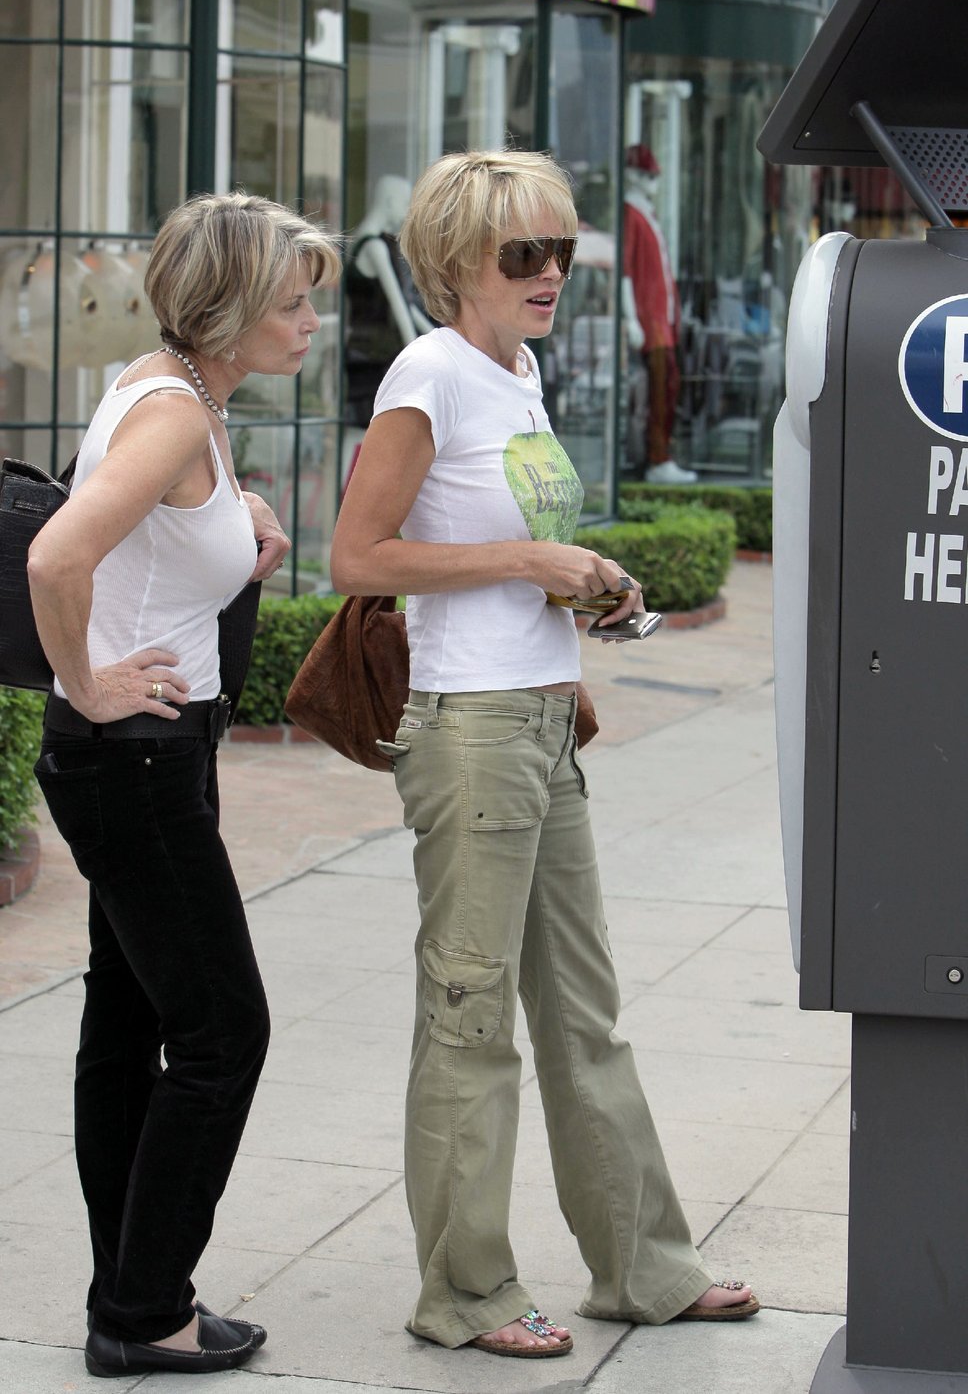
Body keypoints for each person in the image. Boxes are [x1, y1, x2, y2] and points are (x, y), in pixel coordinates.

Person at [329, 149, 758, 1358]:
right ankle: (462, 1292)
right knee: (470, 1017)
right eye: (526, 254)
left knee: (583, 1011)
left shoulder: (515, 376)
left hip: (537, 722)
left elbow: (522, 554)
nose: (554, 273)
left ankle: (643, 1269)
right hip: (467, 733)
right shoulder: (430, 373)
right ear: (455, 261)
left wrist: (594, 593)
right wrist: (528, 564)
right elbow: (358, 558)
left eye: (564, 250)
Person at [27, 192, 340, 1379]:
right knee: (224, 1034)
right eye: (294, 300)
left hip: (148, 759)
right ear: (230, 310)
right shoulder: (168, 414)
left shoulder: (177, 392)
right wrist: (88, 685)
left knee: (131, 1021)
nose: (311, 319)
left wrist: (238, 543)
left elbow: (143, 566)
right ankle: (143, 1308)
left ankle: (132, 1294)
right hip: (135, 762)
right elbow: (58, 555)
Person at [622, 144, 697, 484]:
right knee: (658, 391)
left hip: (660, 320)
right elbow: (625, 271)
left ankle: (660, 454)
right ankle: (657, 457)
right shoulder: (631, 215)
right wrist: (631, 319)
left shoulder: (644, 215)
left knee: (667, 387)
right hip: (649, 320)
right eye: (648, 176)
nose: (653, 182)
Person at [344, 174, 433, 426]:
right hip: (373, 354)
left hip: (366, 350)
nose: (407, 213)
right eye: (405, 203)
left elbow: (404, 305)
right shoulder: (374, 247)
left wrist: (438, 340)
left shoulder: (364, 243)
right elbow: (400, 306)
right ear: (390, 201)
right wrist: (421, 354)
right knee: (374, 426)